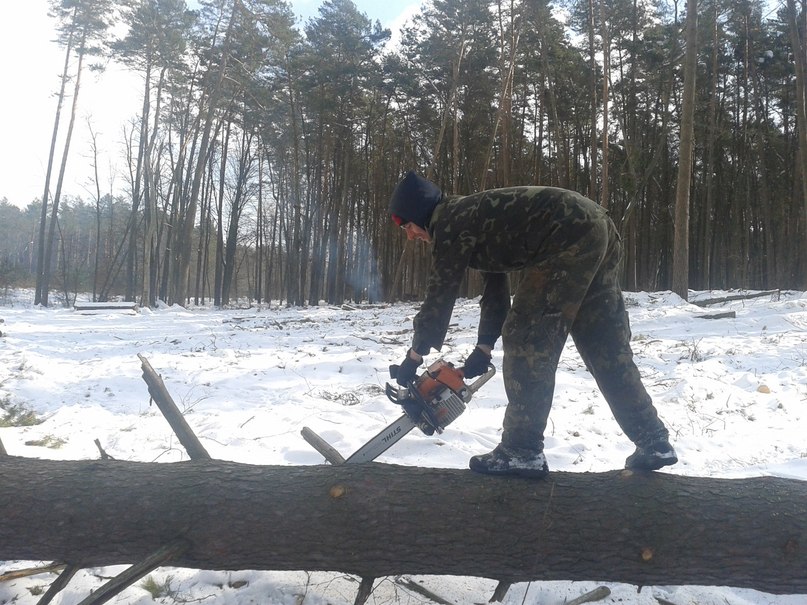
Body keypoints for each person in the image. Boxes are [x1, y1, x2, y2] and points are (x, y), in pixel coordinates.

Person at [389, 170, 677, 478]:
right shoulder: (469, 216)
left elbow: (440, 294)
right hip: (597, 225)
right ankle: (653, 440)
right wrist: (483, 349)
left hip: (565, 233)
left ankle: (522, 449)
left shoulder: (447, 222)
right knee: (604, 346)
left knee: (526, 338)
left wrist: (414, 357)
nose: (411, 235)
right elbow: (495, 291)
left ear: (420, 213)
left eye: (408, 226)